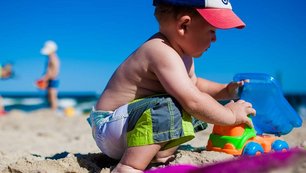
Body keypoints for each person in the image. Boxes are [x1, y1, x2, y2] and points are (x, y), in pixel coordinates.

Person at [88, 0, 256, 172]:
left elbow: (195, 85)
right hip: (110, 127)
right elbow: (193, 101)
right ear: (184, 25)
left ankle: (158, 154)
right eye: (212, 31)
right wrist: (231, 115)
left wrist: (225, 90)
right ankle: (129, 166)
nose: (215, 39)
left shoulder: (183, 56)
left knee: (197, 104)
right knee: (182, 104)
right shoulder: (160, 50)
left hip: (129, 127)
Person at [38, 40, 60, 111]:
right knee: (49, 96)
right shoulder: (51, 58)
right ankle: (52, 108)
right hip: (50, 79)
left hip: (52, 79)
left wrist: (45, 78)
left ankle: (54, 109)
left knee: (52, 96)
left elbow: (53, 71)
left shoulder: (53, 58)